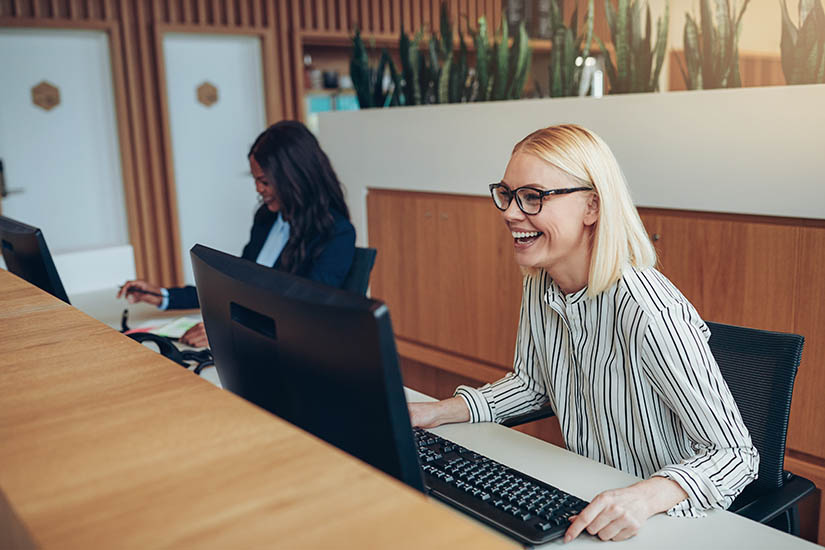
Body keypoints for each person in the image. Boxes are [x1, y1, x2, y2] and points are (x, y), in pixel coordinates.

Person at [408, 124, 758, 543]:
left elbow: (736, 456)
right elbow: (532, 384)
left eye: (532, 197)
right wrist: (441, 411)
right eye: (507, 194)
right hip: (591, 499)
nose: (510, 213)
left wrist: (644, 498)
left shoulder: (648, 311)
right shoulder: (541, 282)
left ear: (592, 206)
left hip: (663, 517)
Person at [118, 120, 355, 347]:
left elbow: (305, 317)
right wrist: (164, 296)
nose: (258, 189)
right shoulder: (267, 219)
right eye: (255, 180)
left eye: (264, 181)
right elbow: (235, 288)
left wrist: (229, 331)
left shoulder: (337, 234)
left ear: (295, 178)